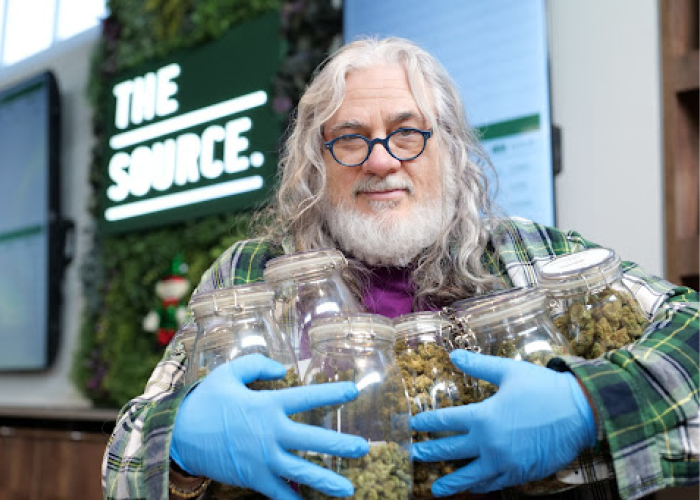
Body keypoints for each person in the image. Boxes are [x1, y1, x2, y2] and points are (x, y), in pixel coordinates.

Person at [101, 36, 700, 500]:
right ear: (316, 163)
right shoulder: (250, 277)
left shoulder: (535, 259)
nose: (381, 160)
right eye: (351, 139)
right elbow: (120, 460)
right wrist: (178, 445)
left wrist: (589, 406)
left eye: (407, 133)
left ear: (450, 149)